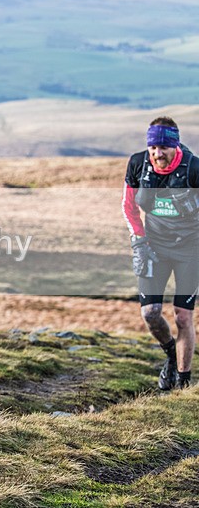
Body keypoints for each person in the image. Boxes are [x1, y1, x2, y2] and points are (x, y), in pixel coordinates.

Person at [123, 116, 199, 390]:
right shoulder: (138, 164)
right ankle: (170, 354)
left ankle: (183, 382)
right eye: (153, 147)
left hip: (190, 249)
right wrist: (139, 242)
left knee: (182, 315)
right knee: (151, 313)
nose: (157, 154)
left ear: (175, 146)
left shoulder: (193, 168)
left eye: (163, 148)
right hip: (154, 246)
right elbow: (129, 207)